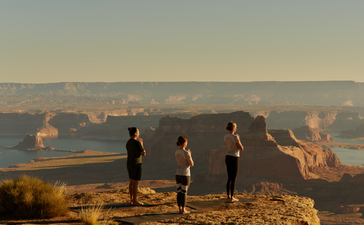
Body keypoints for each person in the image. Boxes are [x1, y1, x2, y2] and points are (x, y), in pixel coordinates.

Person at [126, 127, 146, 205]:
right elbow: (143, 153)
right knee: (135, 183)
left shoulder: (128, 142)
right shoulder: (137, 143)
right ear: (135, 134)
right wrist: (142, 145)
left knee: (131, 182)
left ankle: (131, 199)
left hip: (129, 164)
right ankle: (135, 200)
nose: (139, 133)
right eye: (138, 132)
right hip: (136, 164)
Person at [224, 121, 244, 202]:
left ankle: (228, 196)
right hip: (234, 158)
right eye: (236, 127)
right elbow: (241, 148)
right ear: (233, 128)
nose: (236, 128)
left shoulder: (225, 136)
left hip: (227, 157)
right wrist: (238, 139)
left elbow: (227, 145)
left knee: (229, 177)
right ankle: (232, 197)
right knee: (234, 178)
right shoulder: (236, 137)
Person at [175, 136, 194, 214]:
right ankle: (183, 209)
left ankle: (179, 208)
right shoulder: (186, 153)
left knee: (179, 192)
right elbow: (191, 164)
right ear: (184, 143)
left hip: (178, 174)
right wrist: (190, 155)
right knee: (184, 192)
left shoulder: (176, 152)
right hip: (185, 174)